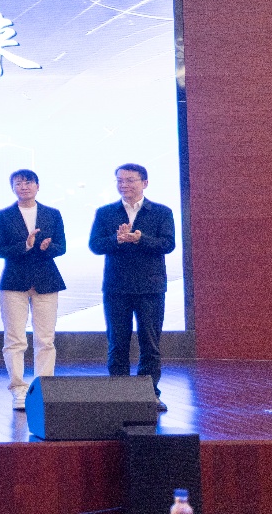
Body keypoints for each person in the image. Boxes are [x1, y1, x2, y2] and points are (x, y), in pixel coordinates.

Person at [88, 163, 177, 411]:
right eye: (120, 180)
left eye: (130, 180)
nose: (123, 185)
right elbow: (95, 245)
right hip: (116, 287)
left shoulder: (161, 212)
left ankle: (149, 394)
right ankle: (120, 395)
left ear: (144, 183)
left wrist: (140, 239)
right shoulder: (106, 212)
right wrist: (116, 239)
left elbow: (168, 244)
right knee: (117, 343)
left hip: (150, 287)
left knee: (150, 343)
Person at [0, 168, 67, 411]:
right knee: (15, 338)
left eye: (28, 182)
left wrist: (48, 247)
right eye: (18, 183)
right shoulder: (4, 216)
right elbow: (0, 249)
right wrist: (25, 245)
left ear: (37, 186)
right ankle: (18, 388)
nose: (24, 187)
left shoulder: (52, 214)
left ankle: (43, 388)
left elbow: (61, 246)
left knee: (45, 339)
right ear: (13, 188)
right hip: (14, 281)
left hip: (46, 280)